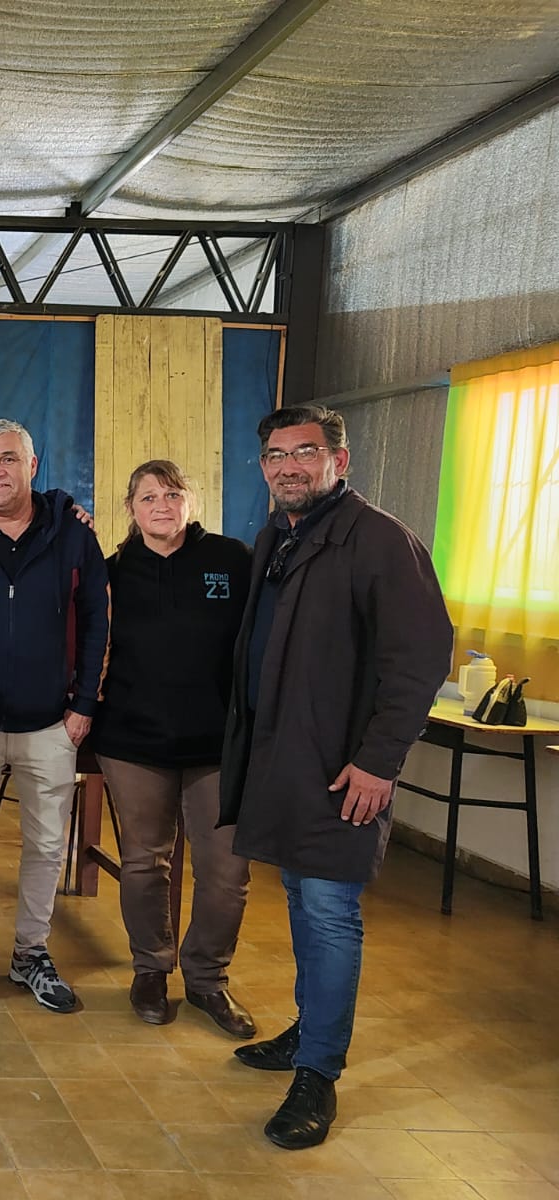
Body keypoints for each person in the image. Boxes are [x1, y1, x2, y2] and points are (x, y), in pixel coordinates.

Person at [220, 405, 450, 1150]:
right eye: (276, 455)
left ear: (339, 461)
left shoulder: (379, 541)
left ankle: (317, 1074)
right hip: (284, 759)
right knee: (299, 898)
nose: (289, 466)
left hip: (341, 770)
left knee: (327, 911)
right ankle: (308, 1030)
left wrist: (380, 761)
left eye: (305, 452)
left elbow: (420, 660)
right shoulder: (277, 538)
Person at [0, 418, 109, 1012]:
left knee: (45, 846)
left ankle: (32, 953)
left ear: (32, 466)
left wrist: (83, 706)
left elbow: (97, 620)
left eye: (8, 459)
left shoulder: (73, 534)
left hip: (51, 723)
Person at [94, 460, 255, 1037]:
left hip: (217, 745)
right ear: (131, 510)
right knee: (145, 862)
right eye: (147, 498)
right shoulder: (112, 572)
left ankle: (208, 978)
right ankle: (151, 970)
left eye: (171, 494)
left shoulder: (231, 560)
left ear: (191, 500)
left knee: (227, 872)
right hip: (134, 742)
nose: (161, 506)